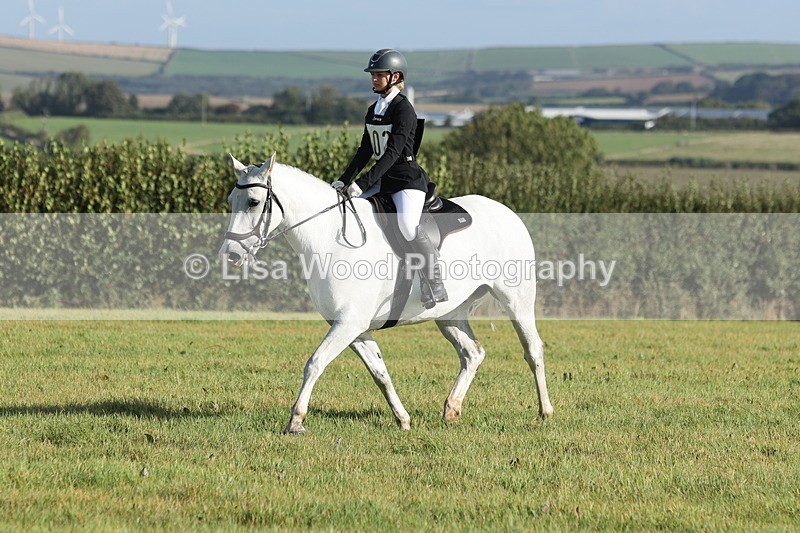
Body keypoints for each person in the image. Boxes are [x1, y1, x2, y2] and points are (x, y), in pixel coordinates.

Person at [331, 48, 448, 309]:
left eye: (379, 74)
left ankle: (436, 283)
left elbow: (394, 153)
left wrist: (363, 183)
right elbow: (365, 150)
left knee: (407, 226)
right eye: (373, 74)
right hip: (383, 180)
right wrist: (344, 180)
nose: (374, 78)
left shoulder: (403, 109)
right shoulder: (374, 109)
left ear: (394, 76)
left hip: (406, 180)